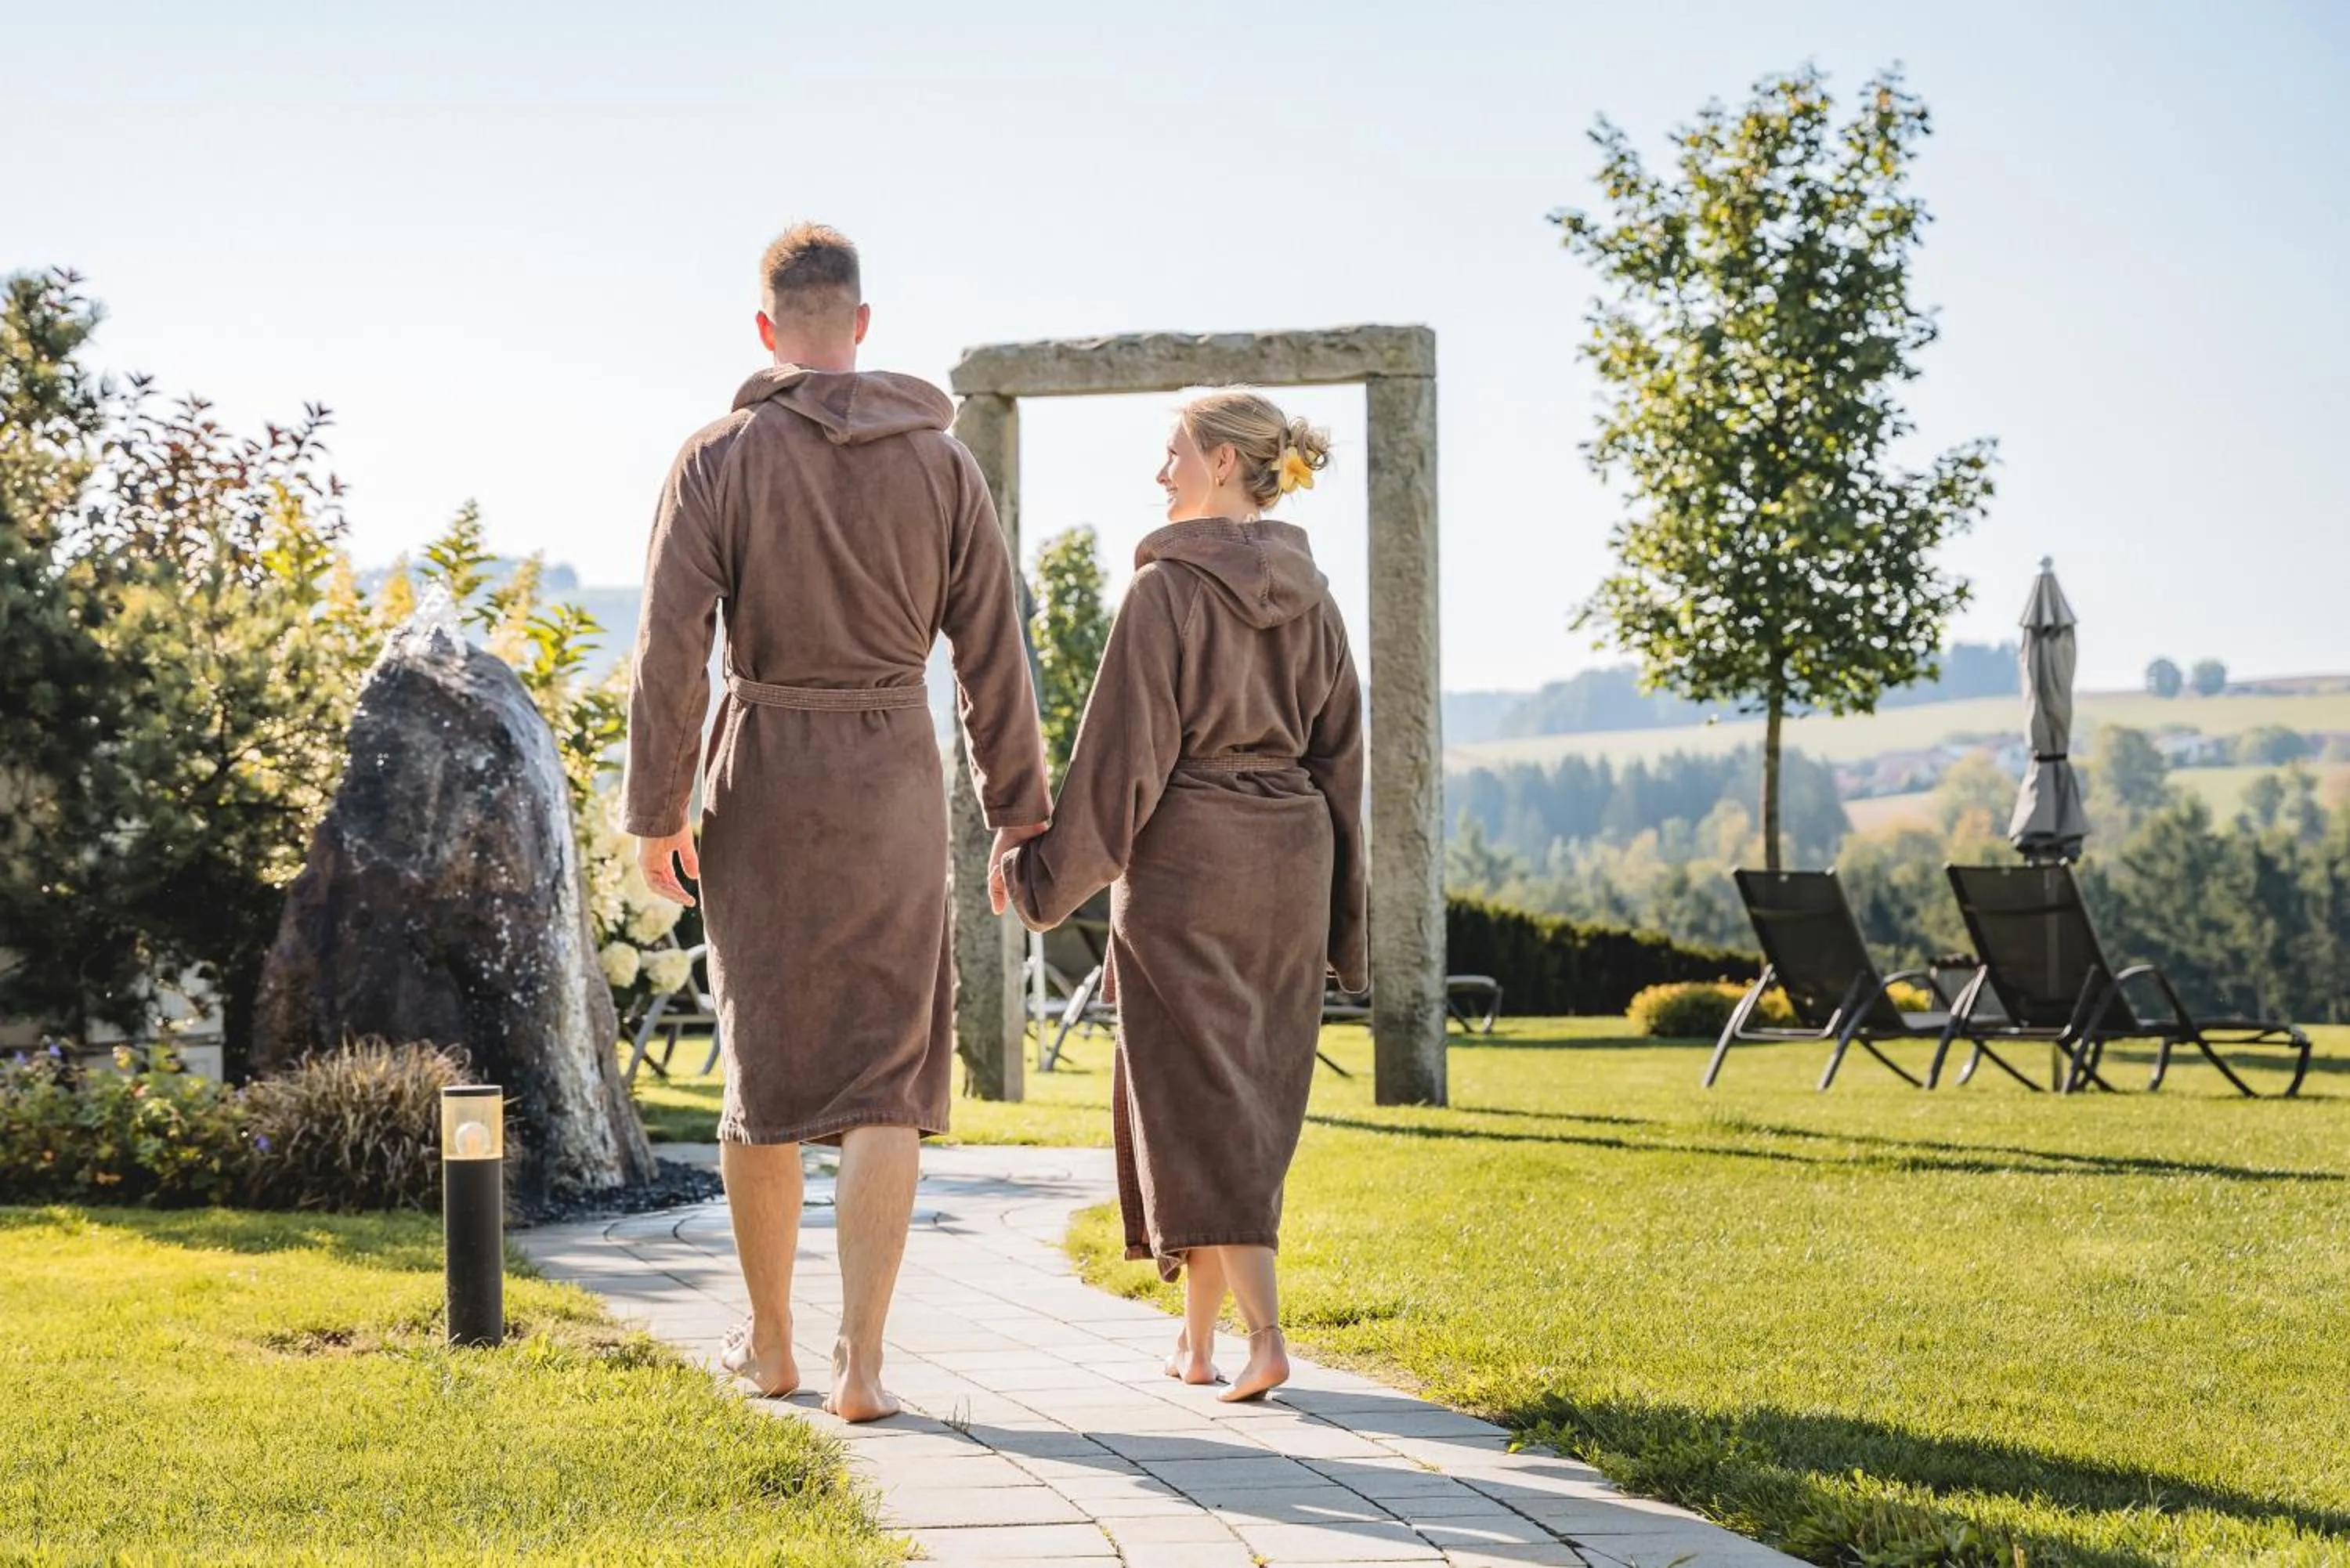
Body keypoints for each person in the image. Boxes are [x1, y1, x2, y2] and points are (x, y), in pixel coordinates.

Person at [626, 223, 1050, 1422]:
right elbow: (993, 658)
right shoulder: (944, 469)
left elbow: (670, 652)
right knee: (886, 1080)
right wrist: (1017, 811)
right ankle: (865, 1363)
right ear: (860, 324)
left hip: (757, 780)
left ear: (769, 330)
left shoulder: (717, 458)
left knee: (759, 1070)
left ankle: (772, 1345)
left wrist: (656, 810)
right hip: (890, 785)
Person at [995, 391, 1367, 1402]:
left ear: (1216, 465)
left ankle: (1266, 1335)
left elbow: (1121, 765)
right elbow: (1344, 763)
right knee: (1228, 1092)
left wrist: (1036, 879)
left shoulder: (1163, 597)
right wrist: (1348, 921)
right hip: (1292, 865)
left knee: (1195, 1096)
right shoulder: (1318, 601)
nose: (1160, 474)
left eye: (1172, 454)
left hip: (1191, 865)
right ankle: (1196, 1341)